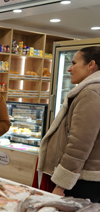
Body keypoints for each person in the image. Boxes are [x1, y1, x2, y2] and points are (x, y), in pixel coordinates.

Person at [37, 46, 100, 203]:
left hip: (82, 180)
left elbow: (79, 144)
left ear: (91, 65)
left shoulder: (90, 92)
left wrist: (61, 184)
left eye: (74, 63)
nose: (70, 69)